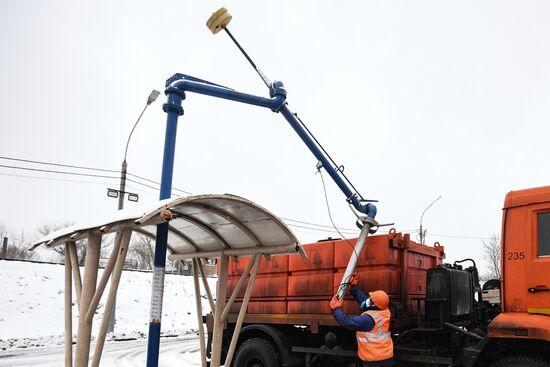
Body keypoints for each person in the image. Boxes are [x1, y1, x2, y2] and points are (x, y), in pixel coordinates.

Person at [330, 274, 395, 367]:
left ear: (373, 304)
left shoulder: (369, 319)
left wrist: (335, 309)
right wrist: (354, 286)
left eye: (370, 299)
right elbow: (364, 300)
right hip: (385, 357)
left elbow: (347, 321)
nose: (368, 299)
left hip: (375, 361)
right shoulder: (384, 310)